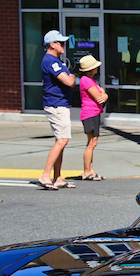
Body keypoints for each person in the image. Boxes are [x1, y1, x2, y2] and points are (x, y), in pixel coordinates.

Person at [38, 29, 76, 190]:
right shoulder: (51, 61)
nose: (64, 46)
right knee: (62, 140)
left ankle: (57, 177)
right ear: (52, 44)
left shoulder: (56, 61)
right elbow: (68, 81)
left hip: (60, 103)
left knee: (60, 140)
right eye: (61, 43)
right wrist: (73, 77)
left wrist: (71, 77)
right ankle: (45, 175)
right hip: (56, 104)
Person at [76, 55, 106, 181]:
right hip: (90, 113)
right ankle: (86, 172)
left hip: (94, 113)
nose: (97, 68)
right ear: (90, 69)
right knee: (91, 143)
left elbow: (102, 92)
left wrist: (105, 94)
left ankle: (91, 171)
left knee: (93, 142)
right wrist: (103, 95)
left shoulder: (90, 80)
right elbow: (98, 96)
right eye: (95, 67)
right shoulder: (86, 80)